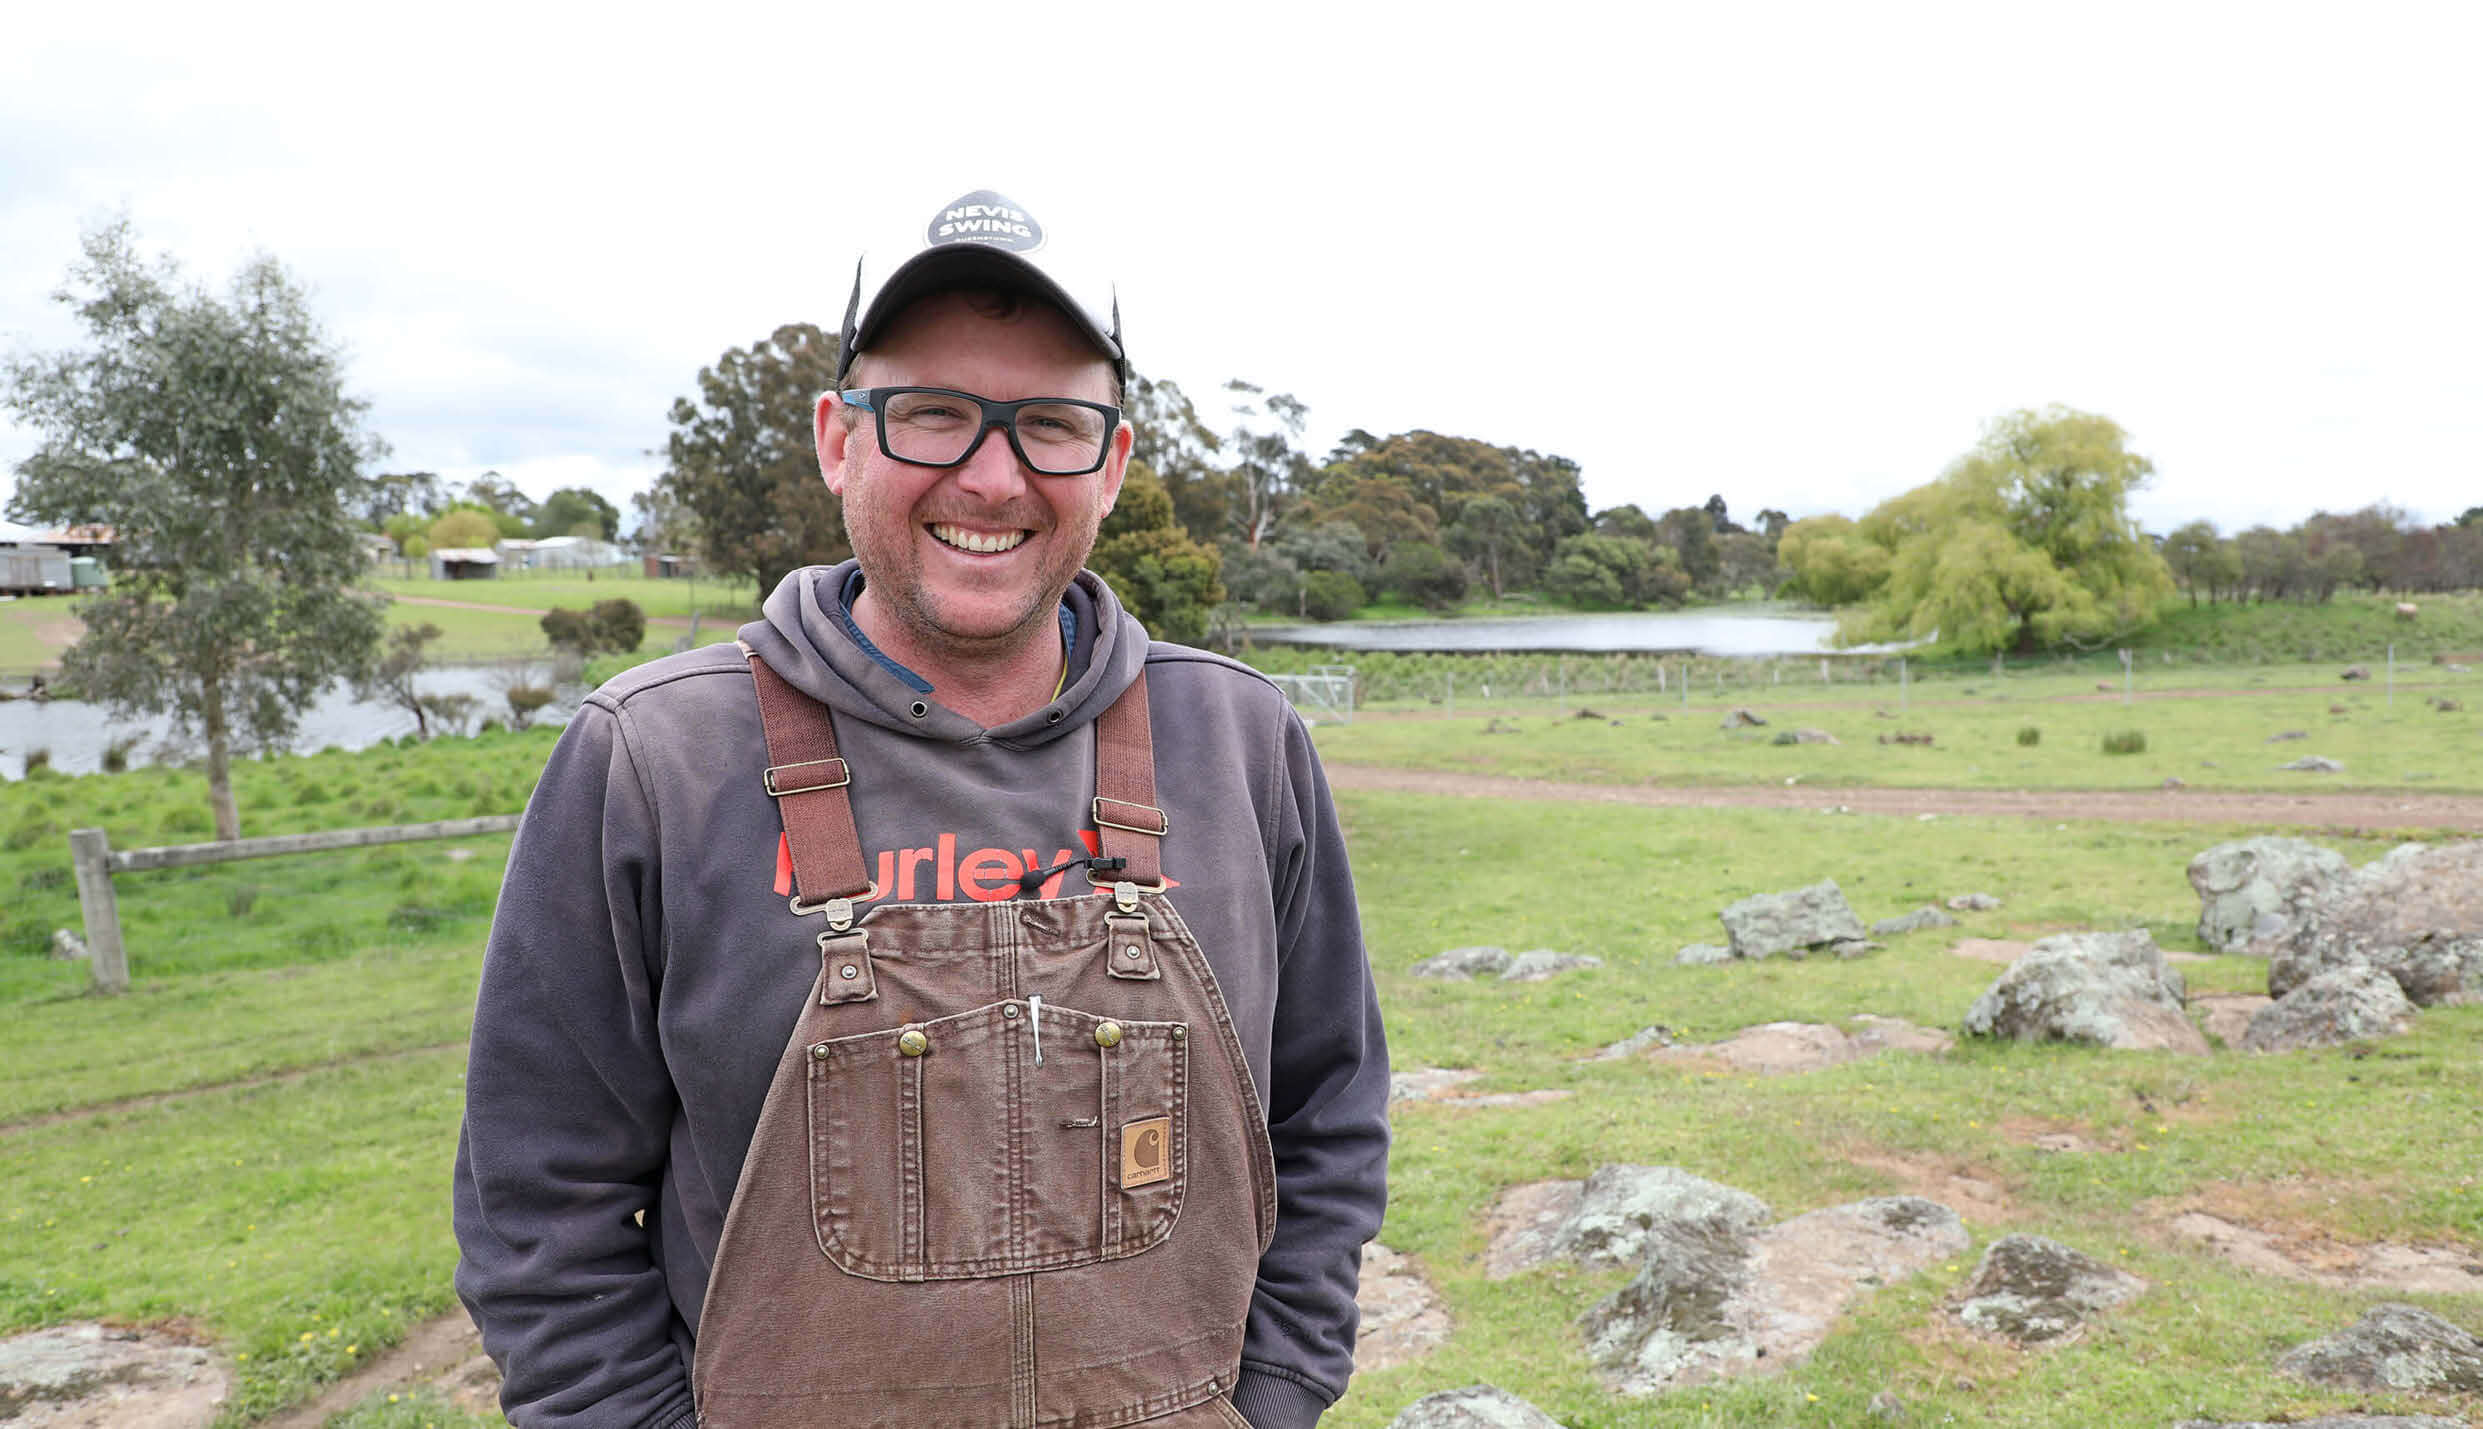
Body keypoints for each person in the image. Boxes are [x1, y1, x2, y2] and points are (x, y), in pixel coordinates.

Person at [453, 189, 1390, 1429]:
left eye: (1050, 423)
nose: (991, 476)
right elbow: (540, 1202)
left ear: (1110, 463)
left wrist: (1269, 1398)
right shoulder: (653, 759)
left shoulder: (1241, 740)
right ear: (840, 438)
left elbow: (1327, 1117)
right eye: (932, 415)